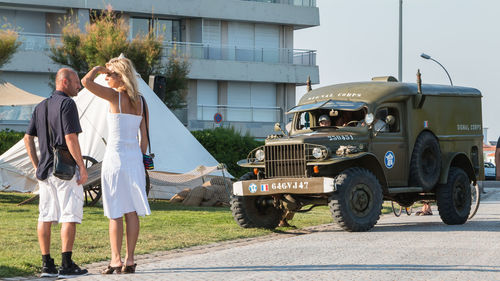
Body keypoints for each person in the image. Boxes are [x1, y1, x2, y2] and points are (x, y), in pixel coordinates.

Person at [81, 56, 151, 274]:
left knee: (115, 212)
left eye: (108, 75)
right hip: (134, 161)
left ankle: (115, 260)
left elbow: (85, 82)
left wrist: (96, 69)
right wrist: (138, 159)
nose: (105, 78)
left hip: (115, 158)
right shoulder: (141, 101)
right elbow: (145, 139)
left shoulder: (114, 96)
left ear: (119, 76)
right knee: (132, 212)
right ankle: (130, 260)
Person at [24, 68, 89, 278]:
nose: (79, 86)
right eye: (76, 82)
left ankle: (47, 266)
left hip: (44, 171)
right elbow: (71, 137)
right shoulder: (68, 104)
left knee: (45, 216)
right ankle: (66, 265)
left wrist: (36, 165)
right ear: (65, 82)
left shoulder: (40, 106)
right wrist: (81, 165)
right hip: (64, 170)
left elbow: (28, 138)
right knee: (69, 215)